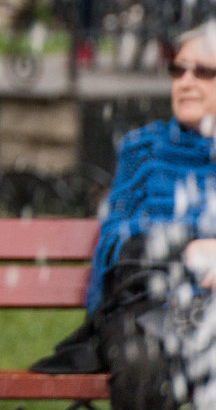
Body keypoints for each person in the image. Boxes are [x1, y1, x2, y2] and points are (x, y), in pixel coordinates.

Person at [33, 21, 216, 407]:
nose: (185, 81)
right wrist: (188, 252)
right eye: (178, 69)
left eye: (203, 72)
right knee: (143, 359)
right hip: (145, 306)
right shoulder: (142, 150)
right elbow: (116, 239)